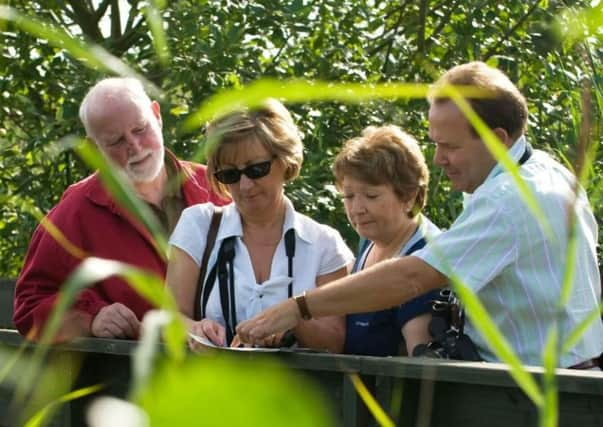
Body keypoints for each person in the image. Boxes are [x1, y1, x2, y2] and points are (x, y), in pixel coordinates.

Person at [236, 61, 603, 369]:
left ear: (499, 139)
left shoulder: (508, 200)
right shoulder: (548, 172)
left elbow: (412, 277)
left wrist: (298, 307)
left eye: (450, 146)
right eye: (435, 144)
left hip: (535, 393)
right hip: (568, 377)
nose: (438, 159)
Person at [13, 77, 227, 341]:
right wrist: (91, 318)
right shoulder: (75, 212)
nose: (135, 147)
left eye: (140, 129)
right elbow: (30, 306)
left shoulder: (220, 186)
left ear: (157, 115)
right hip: (133, 376)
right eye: (116, 141)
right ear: (94, 148)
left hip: (231, 371)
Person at [166, 99, 354, 352]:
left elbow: (336, 341)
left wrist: (293, 320)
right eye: (229, 175)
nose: (245, 186)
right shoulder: (198, 225)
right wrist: (195, 330)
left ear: (286, 160)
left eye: (257, 169)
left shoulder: (324, 244)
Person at [333, 125, 441, 356]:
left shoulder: (426, 256)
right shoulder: (370, 240)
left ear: (409, 196)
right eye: (349, 196)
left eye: (371, 196)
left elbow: (422, 369)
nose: (357, 209)